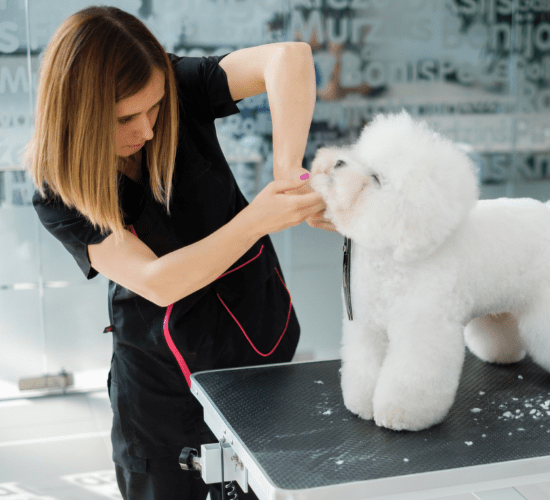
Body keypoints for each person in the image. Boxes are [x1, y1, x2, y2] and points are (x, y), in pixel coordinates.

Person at [26, 6, 334, 499]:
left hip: (253, 347)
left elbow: (289, 57)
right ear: (80, 117)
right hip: (159, 392)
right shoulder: (57, 190)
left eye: (155, 107)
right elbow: (157, 279)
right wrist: (259, 218)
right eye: (127, 117)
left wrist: (286, 173)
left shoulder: (177, 88)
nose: (148, 130)